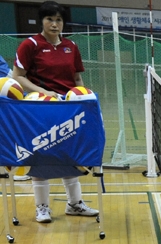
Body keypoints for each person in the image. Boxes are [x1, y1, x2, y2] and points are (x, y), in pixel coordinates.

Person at [12, 1, 98, 223]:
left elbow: (77, 78)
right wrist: (44, 92)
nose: (54, 23)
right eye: (50, 19)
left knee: (69, 154)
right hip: (40, 107)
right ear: (42, 21)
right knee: (41, 152)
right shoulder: (30, 45)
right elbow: (17, 76)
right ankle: (42, 207)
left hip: (68, 107)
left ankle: (75, 204)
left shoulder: (71, 46)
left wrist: (81, 98)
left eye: (58, 19)